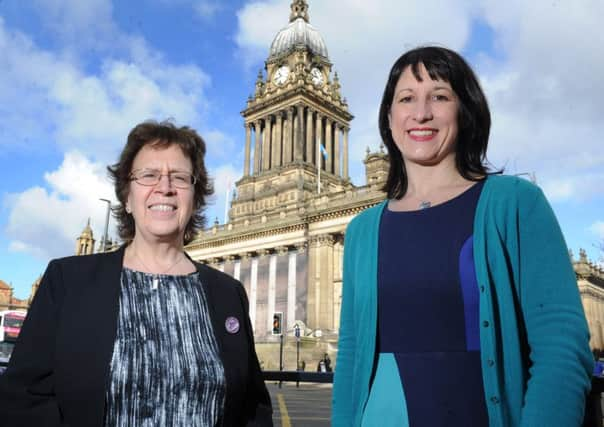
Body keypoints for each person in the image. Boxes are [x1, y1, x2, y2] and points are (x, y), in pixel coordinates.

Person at [332, 46, 593, 427]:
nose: (421, 113)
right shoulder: (361, 230)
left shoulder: (515, 204)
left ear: (465, 110)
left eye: (439, 96)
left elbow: (561, 349)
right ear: (389, 118)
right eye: (406, 98)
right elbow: (352, 356)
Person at [0, 121, 273, 426]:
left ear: (194, 198)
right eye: (149, 175)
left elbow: (253, 410)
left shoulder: (228, 293)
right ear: (127, 197)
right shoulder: (67, 280)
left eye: (180, 177)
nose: (165, 187)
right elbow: (24, 400)